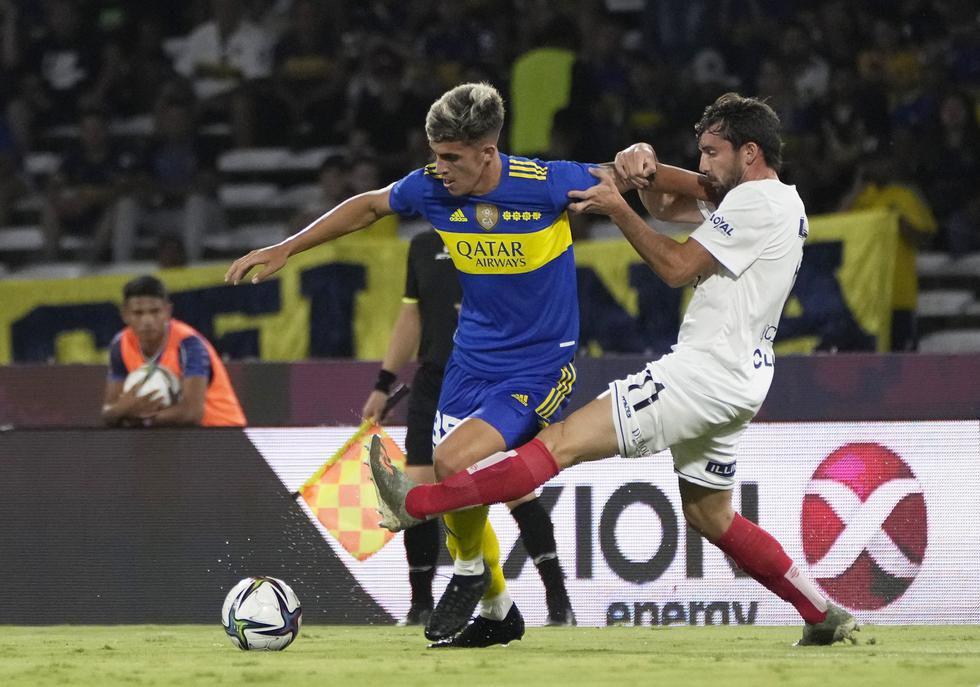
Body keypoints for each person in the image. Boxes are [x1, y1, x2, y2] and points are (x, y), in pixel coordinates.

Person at [370, 93, 859, 647]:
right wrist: (641, 166)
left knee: (558, 443)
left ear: (749, 153)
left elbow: (674, 267)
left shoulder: (753, 205)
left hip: (700, 376)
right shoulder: (776, 201)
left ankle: (418, 502)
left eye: (710, 153)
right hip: (741, 379)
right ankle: (821, 613)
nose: (701, 166)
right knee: (711, 516)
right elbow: (672, 204)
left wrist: (617, 205)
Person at [226, 83, 676, 648]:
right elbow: (367, 206)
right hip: (470, 362)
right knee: (449, 471)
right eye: (435, 155)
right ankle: (499, 609)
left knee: (448, 457)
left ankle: (468, 575)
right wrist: (289, 247)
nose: (439, 169)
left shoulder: (548, 182)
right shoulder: (431, 188)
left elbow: (629, 172)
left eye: (452, 158)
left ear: (489, 152)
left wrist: (640, 152)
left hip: (539, 366)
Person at [361, 228, 576, 628]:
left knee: (513, 489)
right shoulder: (422, 245)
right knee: (422, 486)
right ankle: (420, 605)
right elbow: (412, 314)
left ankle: (558, 601)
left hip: (492, 382)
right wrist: (383, 382)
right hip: (434, 382)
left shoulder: (501, 236)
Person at [102, 275, 246, 428]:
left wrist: (139, 418)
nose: (147, 320)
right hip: (170, 436)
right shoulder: (120, 345)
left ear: (167, 311)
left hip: (222, 432)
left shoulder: (189, 344)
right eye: (138, 313)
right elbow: (108, 412)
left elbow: (192, 413)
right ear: (125, 314)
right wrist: (122, 409)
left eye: (155, 311)